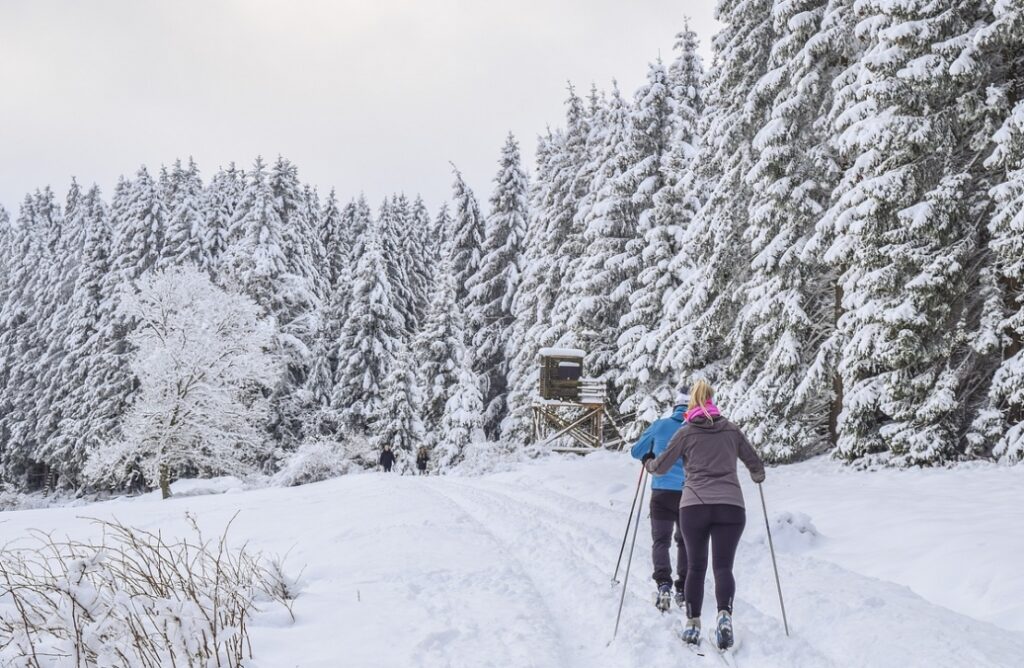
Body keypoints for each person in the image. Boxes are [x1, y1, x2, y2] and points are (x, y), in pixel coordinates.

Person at [644, 379, 765, 651]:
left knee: (697, 567)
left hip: (694, 506)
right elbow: (755, 464)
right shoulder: (732, 430)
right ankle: (724, 615)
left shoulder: (686, 432)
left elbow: (661, 466)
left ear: (692, 404)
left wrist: (649, 464)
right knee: (723, 567)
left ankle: (693, 623)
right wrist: (757, 475)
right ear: (712, 400)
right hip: (731, 506)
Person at [629, 391, 689, 612]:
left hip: (662, 492)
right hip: (689, 494)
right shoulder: (697, 429)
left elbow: (636, 451)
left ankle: (664, 584)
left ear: (675, 408)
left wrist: (649, 457)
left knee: (661, 541)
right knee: (685, 542)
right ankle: (683, 588)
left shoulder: (660, 425)